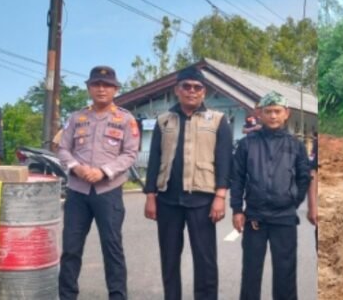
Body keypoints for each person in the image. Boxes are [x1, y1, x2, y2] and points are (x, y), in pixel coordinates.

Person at [143, 65, 233, 300]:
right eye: (187, 86)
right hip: (167, 200)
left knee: (205, 260)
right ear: (177, 90)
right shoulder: (164, 121)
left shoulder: (218, 121)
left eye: (197, 87)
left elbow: (224, 162)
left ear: (204, 92)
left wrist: (220, 197)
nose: (192, 91)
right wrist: (150, 196)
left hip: (202, 201)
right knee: (169, 258)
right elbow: (154, 161)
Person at [58, 66, 138, 300]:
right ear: (89, 88)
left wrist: (104, 171)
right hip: (77, 191)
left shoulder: (125, 119)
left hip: (108, 192)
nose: (101, 89)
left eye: (107, 85)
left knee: (112, 248)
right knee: (71, 249)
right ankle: (67, 296)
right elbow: (63, 149)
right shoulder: (76, 118)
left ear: (115, 89)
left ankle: (117, 296)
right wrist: (76, 167)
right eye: (96, 84)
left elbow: (130, 153)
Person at [231, 92, 311, 300]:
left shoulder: (295, 145)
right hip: (255, 216)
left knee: (285, 272)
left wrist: (293, 200)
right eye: (268, 111)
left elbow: (303, 177)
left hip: (284, 217)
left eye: (277, 111)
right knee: (251, 271)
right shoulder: (247, 144)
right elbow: (237, 178)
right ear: (260, 113)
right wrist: (237, 209)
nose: (273, 116)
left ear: (286, 113)